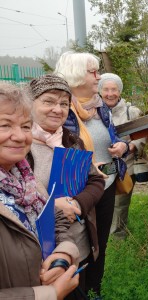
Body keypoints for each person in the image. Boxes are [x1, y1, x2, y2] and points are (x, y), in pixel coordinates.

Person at [54, 51, 129, 297]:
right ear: (77, 75)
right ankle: (78, 288)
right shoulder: (62, 111)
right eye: (93, 72)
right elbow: (59, 151)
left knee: (101, 243)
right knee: (79, 242)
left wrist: (121, 146)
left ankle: (95, 289)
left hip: (105, 185)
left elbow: (112, 135)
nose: (98, 76)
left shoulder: (100, 108)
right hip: (78, 188)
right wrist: (86, 168)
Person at [27, 74, 106, 299]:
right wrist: (53, 204)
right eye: (49, 101)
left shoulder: (72, 141)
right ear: (30, 104)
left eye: (64, 103)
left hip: (78, 243)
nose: (58, 109)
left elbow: (96, 180)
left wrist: (77, 203)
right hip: (40, 253)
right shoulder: (19, 146)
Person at [0, 82, 79, 299]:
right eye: (5, 125)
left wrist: (63, 255)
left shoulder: (25, 178)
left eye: (26, 126)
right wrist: (48, 293)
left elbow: (55, 220)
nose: (19, 136)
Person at [98, 73, 148, 239]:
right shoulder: (93, 111)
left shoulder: (131, 112)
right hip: (102, 165)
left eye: (114, 89)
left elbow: (143, 135)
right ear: (100, 91)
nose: (110, 93)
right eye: (106, 89)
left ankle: (118, 236)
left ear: (119, 91)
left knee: (120, 202)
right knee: (102, 199)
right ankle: (100, 232)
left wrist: (131, 146)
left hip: (125, 165)